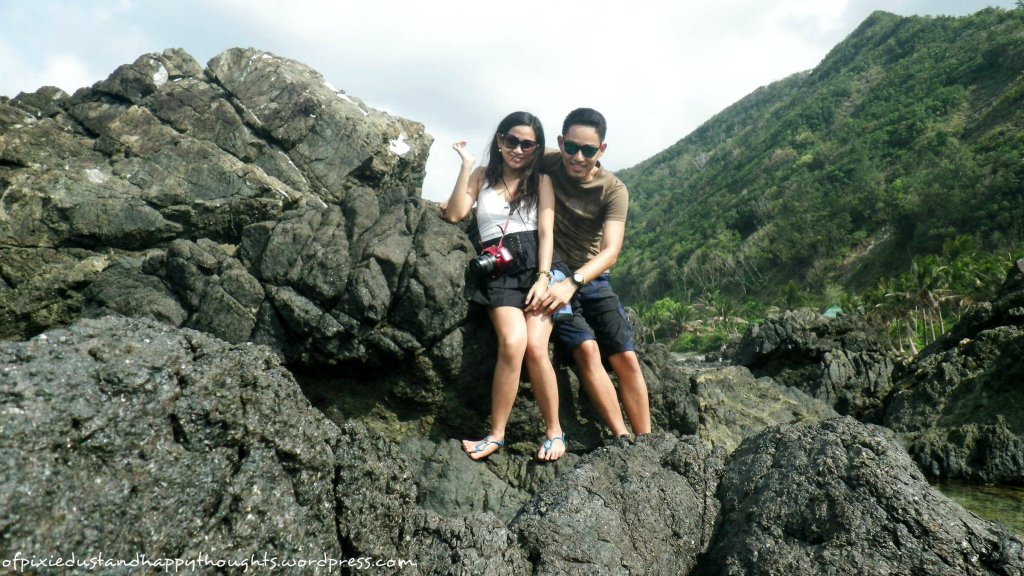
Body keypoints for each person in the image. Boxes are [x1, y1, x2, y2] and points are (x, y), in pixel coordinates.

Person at [440, 111, 566, 462]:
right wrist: (466, 164)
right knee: (513, 342)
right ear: (500, 140)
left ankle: (555, 431)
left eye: (528, 144)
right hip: (500, 270)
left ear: (537, 149)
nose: (518, 149)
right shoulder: (483, 176)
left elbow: (546, 231)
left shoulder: (540, 181)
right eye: (512, 141)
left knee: (537, 348)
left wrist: (543, 278)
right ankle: (496, 435)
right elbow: (454, 213)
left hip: (537, 267)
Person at [527, 107, 652, 439]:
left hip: (591, 277)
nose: (577, 157)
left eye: (588, 150)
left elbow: (611, 251)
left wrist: (574, 283)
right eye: (571, 147)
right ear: (560, 143)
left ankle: (647, 441)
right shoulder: (548, 161)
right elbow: (504, 162)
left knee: (625, 355)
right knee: (586, 349)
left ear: (602, 150)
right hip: (553, 273)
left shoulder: (613, 190)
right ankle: (622, 437)